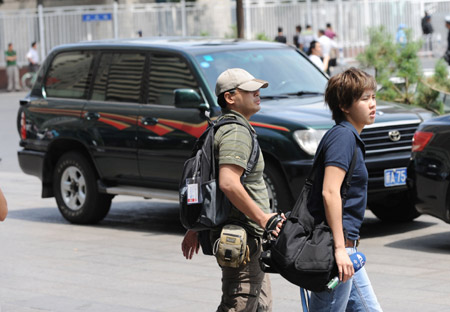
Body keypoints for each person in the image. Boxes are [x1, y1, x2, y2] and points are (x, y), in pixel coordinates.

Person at [181, 68, 284, 312]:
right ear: (230, 97)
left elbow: (209, 182)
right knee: (238, 306)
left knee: (260, 306)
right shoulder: (236, 131)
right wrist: (264, 218)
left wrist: (196, 227)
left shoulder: (221, 127)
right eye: (250, 90)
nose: (257, 93)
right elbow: (228, 183)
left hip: (247, 236)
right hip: (244, 236)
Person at [308, 68, 382, 311]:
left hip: (346, 251)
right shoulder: (343, 138)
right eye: (364, 98)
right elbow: (329, 191)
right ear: (344, 105)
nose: (372, 104)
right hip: (334, 252)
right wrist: (340, 250)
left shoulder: (348, 136)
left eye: (373, 96)